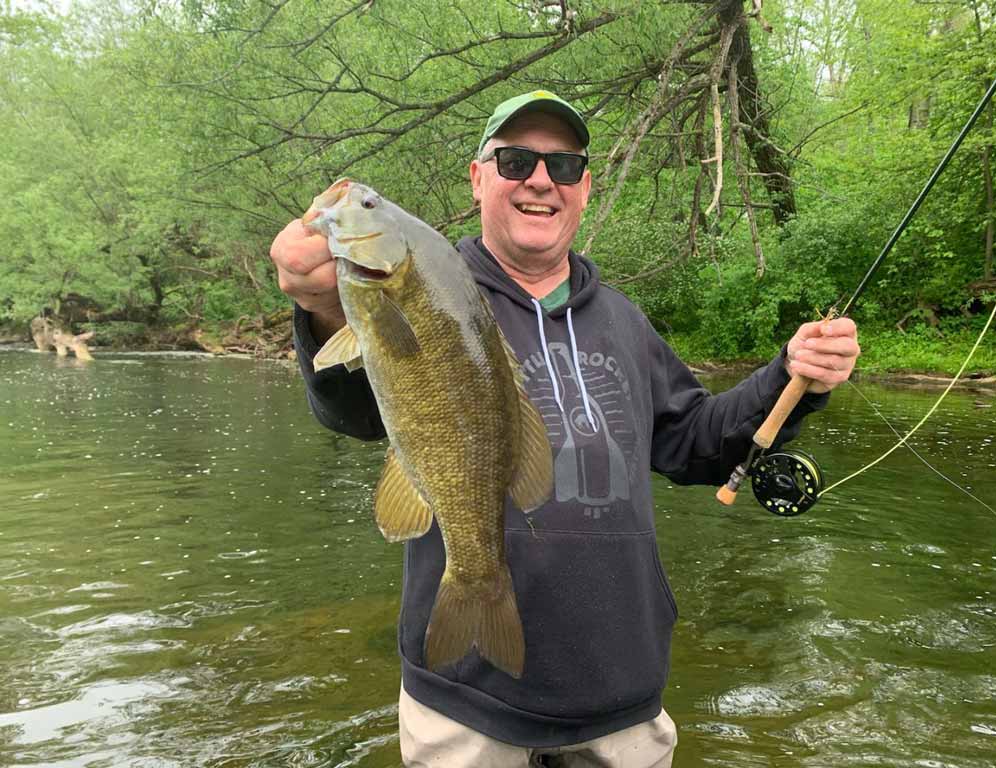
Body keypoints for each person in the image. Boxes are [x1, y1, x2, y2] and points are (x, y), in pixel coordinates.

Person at [269, 91, 860, 767]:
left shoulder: (623, 320)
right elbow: (350, 410)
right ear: (478, 177)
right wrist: (322, 308)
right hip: (466, 707)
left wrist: (791, 375)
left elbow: (697, 443)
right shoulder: (429, 284)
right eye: (516, 160)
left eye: (565, 166)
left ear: (584, 186)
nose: (541, 181)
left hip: (620, 696)